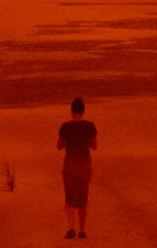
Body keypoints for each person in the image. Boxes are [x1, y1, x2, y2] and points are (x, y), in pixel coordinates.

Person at [58, 97, 97, 240]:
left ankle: (70, 228)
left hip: (69, 165)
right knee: (83, 198)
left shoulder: (65, 126)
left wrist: (69, 141)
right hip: (85, 164)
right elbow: (94, 146)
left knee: (69, 197)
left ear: (72, 111)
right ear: (83, 111)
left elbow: (59, 145)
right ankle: (82, 230)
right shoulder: (90, 126)